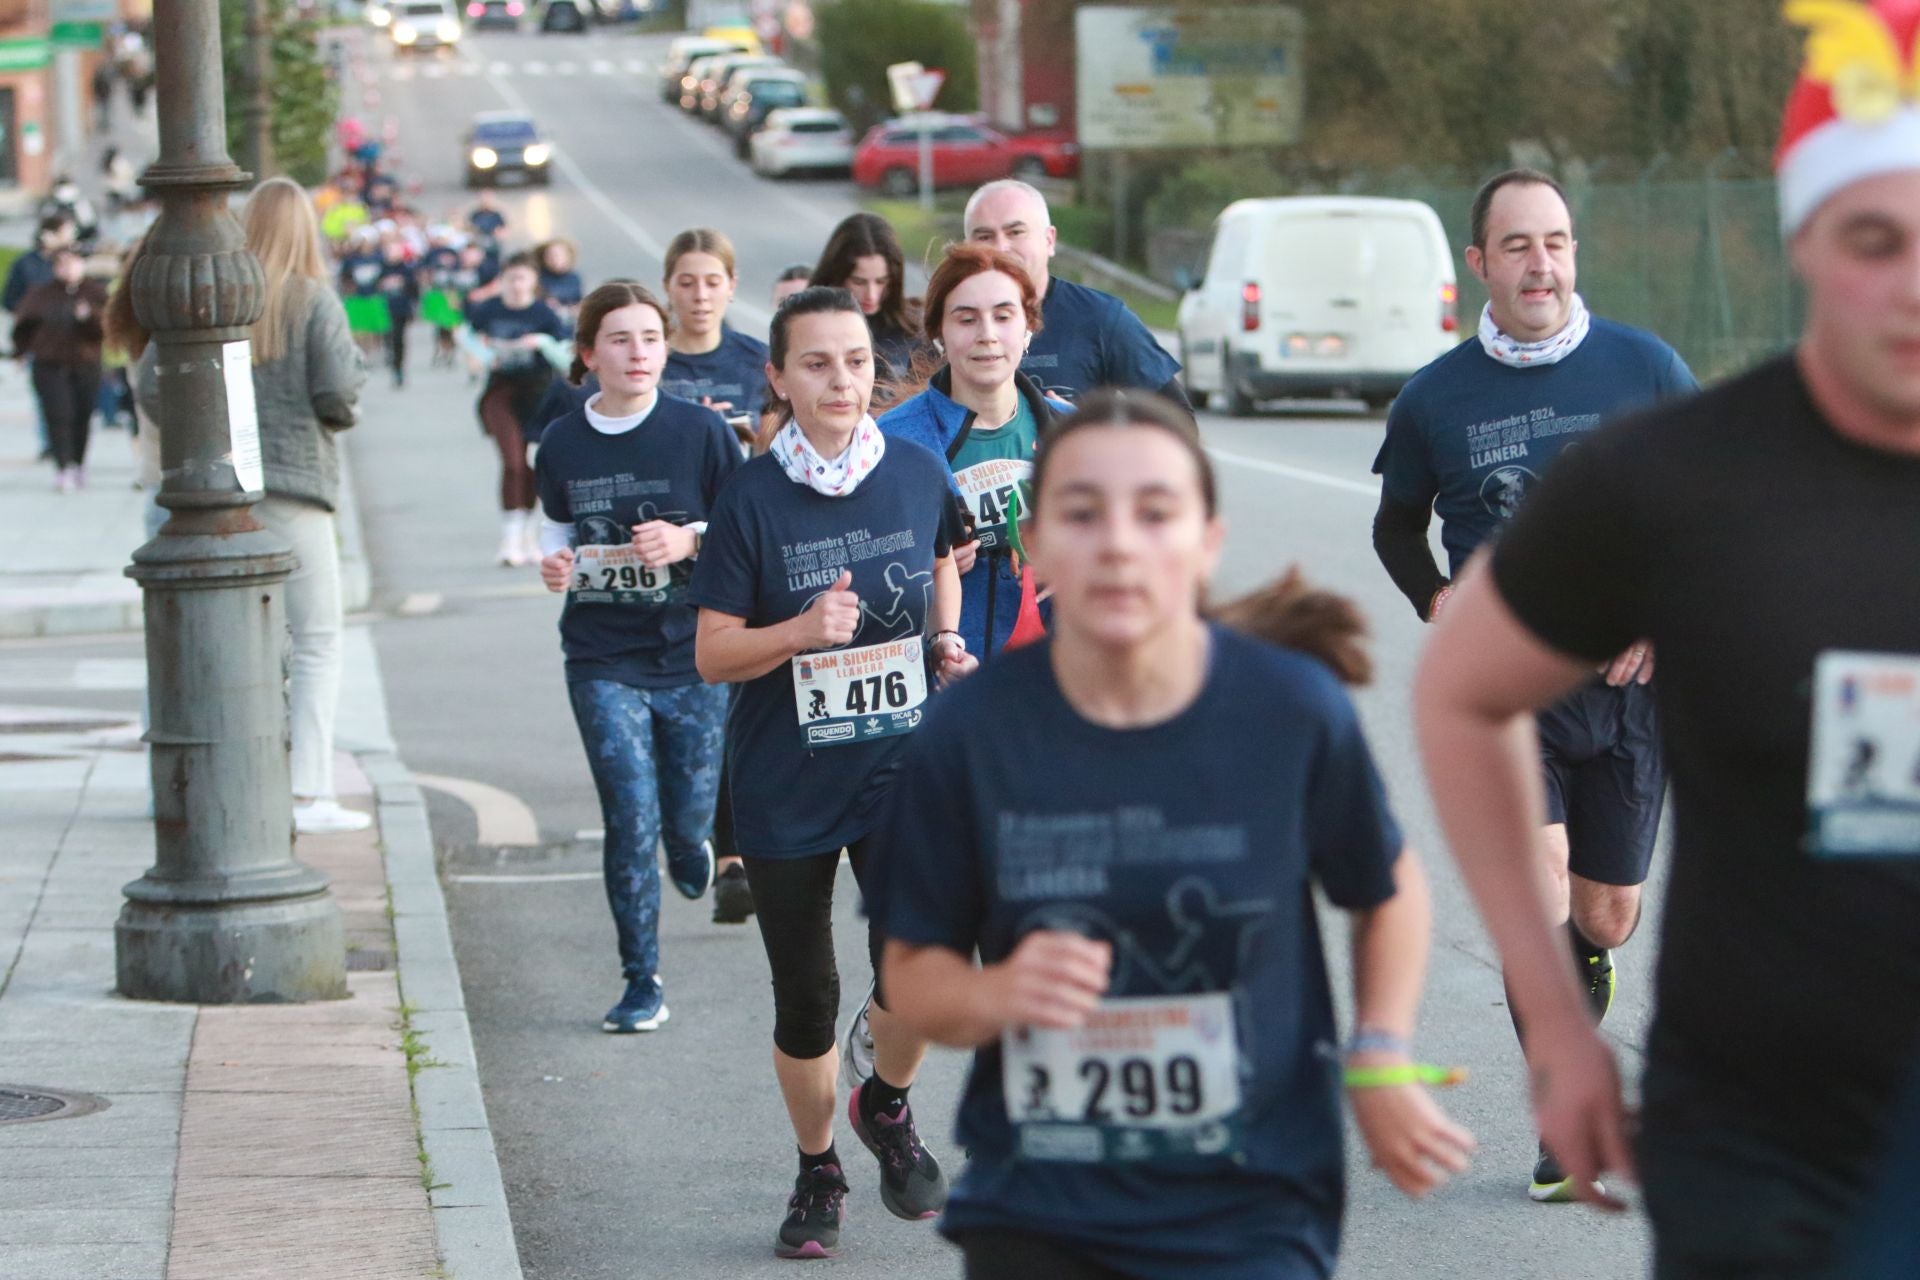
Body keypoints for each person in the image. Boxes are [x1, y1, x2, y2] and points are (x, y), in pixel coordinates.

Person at [1414, 4, 1920, 1273]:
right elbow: (1459, 692)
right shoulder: (1671, 475)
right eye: (1875, 237)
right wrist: (1554, 1016)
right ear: (1803, 239)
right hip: (1767, 1129)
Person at [877, 389, 1473, 1280]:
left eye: (1156, 514)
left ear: (1207, 545)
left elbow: (1385, 888)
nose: (1119, 542)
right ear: (1033, 544)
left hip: (1254, 1200)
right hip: (1042, 1208)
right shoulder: (967, 735)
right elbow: (913, 977)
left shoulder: (1286, 710)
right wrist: (1000, 992)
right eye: (1082, 512)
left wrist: (1381, 1048)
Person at [1369, 167, 1696, 1203]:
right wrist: (1438, 602)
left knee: (1604, 917)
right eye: (1517, 245)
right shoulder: (1437, 396)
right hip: (1510, 698)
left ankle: (1580, 985)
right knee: (1542, 895)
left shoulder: (1645, 368)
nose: (1539, 263)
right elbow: (1395, 523)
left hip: (1628, 687)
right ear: (1481, 262)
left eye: (1554, 241)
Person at [688, 286, 975, 1260]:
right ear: (778, 377)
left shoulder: (919, 469)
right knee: (806, 997)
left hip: (900, 764)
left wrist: (944, 638)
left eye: (854, 361)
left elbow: (946, 552)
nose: (840, 380)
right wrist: (801, 633)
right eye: (815, 363)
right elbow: (714, 653)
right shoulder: (750, 499)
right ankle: (819, 1164)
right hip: (785, 779)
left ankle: (884, 1102)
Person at [534, 281, 741, 1032]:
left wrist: (689, 539)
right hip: (600, 655)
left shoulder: (700, 433)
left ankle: (694, 845)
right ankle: (640, 980)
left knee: (683, 820)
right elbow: (555, 528)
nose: (638, 353)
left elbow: (744, 528)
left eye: (651, 337)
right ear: (589, 354)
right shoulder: (562, 440)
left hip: (691, 654)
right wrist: (553, 562)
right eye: (619, 340)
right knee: (629, 815)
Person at [137, 178, 368, 833]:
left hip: (224, 496)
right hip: (298, 492)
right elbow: (336, 394)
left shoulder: (218, 295)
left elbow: (150, 382)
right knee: (317, 641)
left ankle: (236, 786)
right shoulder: (312, 299)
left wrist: (198, 433)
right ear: (304, 231)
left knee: (243, 648)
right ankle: (308, 792)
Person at [880, 241, 1068, 662]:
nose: (986, 335)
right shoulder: (890, 441)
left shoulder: (1076, 432)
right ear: (938, 334)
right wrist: (923, 568)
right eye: (966, 319)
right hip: (937, 685)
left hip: (1054, 682)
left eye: (1003, 316)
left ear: (1028, 329)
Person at [964, 180, 1187, 409]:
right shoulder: (939, 326)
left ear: (1049, 240)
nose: (1001, 248)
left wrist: (1087, 430)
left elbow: (1178, 421)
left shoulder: (1101, 319)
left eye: (1016, 232)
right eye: (984, 237)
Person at [466, 255, 567, 567]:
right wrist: (481, 355)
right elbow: (467, 336)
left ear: (533, 282)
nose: (517, 285)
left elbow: (565, 359)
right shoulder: (490, 309)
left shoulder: (544, 313)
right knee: (512, 462)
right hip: (501, 392)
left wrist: (541, 343)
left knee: (534, 466)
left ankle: (529, 534)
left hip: (538, 394)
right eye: (511, 278)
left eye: (523, 278)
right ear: (503, 280)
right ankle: (510, 537)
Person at [661, 227, 770, 439]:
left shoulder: (761, 361)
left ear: (731, 286)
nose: (700, 295)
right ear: (667, 286)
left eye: (712, 283)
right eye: (686, 283)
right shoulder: (646, 362)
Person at [14, 246, 107, 492]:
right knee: (58, 415)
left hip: (86, 364)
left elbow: (105, 331)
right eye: (61, 264)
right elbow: (23, 327)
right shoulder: (41, 294)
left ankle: (78, 462)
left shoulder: (95, 293)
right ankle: (63, 466)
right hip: (50, 365)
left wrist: (88, 317)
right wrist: (20, 352)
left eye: (72, 263)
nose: (67, 269)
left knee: (82, 415)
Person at [811, 212, 922, 390]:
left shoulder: (914, 330)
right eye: (859, 282)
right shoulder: (806, 325)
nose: (871, 294)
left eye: (881, 281)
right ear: (836, 276)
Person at [5, 215, 76, 460]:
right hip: (38, 336)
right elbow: (9, 298)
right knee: (45, 389)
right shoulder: (26, 264)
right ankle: (49, 442)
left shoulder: (73, 261)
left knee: (73, 391)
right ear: (48, 233)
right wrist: (27, 313)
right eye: (67, 230)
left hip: (73, 336)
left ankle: (69, 441)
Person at [376, 236, 421, 388]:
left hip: (401, 309)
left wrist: (414, 308)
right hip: (384, 308)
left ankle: (398, 368)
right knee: (387, 336)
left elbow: (414, 290)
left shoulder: (407, 269)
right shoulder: (381, 268)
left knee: (398, 338)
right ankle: (390, 358)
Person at [537, 237, 585, 325]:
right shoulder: (538, 276)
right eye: (550, 256)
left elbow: (579, 302)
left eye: (559, 255)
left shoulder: (574, 278)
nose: (555, 259)